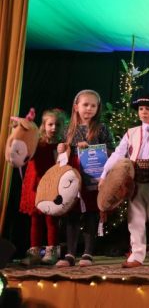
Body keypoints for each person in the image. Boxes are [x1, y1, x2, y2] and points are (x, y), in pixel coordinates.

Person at [100, 93, 149, 268]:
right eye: (141, 109)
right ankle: (136, 255)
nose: (144, 112)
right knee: (135, 219)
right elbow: (118, 154)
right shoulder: (131, 133)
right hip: (135, 181)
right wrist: (104, 174)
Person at [56, 90, 115, 267]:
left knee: (91, 212)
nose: (89, 108)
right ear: (76, 107)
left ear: (98, 108)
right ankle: (70, 254)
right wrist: (61, 149)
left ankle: (88, 253)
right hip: (72, 174)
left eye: (93, 106)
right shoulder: (67, 129)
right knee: (72, 213)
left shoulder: (101, 128)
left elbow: (113, 150)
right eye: (85, 105)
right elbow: (59, 154)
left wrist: (91, 148)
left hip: (92, 174)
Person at [19, 109, 66, 266]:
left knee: (51, 220)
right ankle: (34, 253)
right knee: (35, 219)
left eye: (57, 125)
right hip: (35, 184)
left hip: (52, 186)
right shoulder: (36, 143)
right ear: (44, 125)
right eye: (50, 124)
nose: (53, 128)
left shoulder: (62, 145)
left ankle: (52, 252)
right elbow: (25, 154)